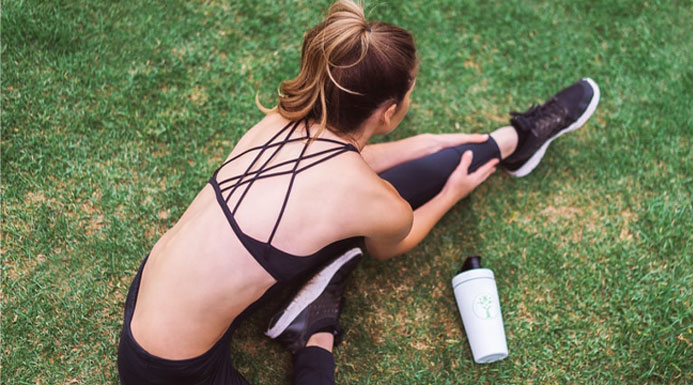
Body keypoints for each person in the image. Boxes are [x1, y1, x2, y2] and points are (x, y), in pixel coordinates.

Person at [116, 1, 599, 384]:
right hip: (166, 372)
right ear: (388, 112)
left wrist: (429, 144)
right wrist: (452, 191)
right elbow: (396, 240)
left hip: (154, 300)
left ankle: (512, 141)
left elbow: (347, 166)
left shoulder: (282, 120)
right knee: (357, 232)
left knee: (347, 212)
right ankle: (315, 331)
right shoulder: (369, 200)